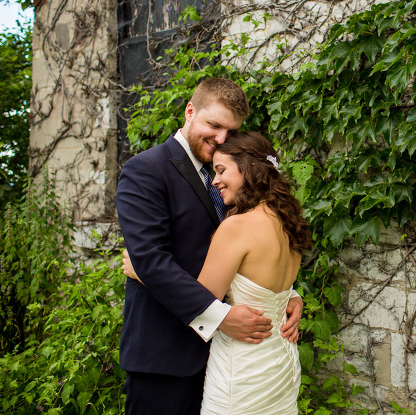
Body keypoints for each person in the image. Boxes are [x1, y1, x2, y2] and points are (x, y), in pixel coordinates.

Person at [116, 78, 303, 415]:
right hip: (166, 357)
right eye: (214, 125)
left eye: (229, 132)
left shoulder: (235, 178)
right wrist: (220, 317)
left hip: (230, 359)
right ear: (190, 111)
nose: (220, 138)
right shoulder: (146, 170)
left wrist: (286, 296)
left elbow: (250, 252)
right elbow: (151, 260)